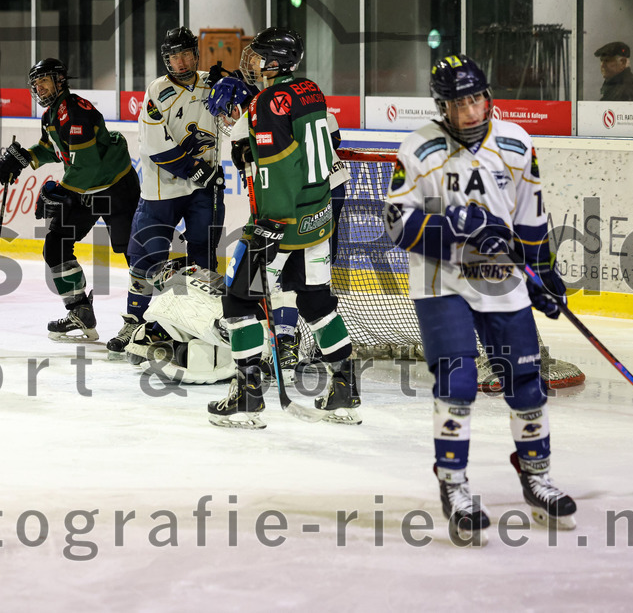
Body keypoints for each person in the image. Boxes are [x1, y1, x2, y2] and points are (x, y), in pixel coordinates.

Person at [382, 53, 576, 544]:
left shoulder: (516, 143)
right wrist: (458, 235)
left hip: (502, 281)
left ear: (488, 96)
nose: (470, 110)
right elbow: (396, 223)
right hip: (440, 282)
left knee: (526, 381)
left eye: (476, 98)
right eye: (458, 102)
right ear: (442, 106)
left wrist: (544, 275)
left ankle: (537, 477)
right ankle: (454, 487)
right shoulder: (419, 147)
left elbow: (530, 218)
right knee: (458, 379)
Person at [208, 27, 358, 429]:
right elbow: (321, 144)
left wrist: (270, 223)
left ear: (274, 61)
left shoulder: (267, 102)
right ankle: (344, 389)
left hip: (283, 219)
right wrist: (247, 146)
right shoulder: (310, 90)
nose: (253, 63)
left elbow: (277, 166)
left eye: (258, 57)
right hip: (317, 217)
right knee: (315, 301)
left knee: (238, 301)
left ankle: (247, 396)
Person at [207, 74, 348, 373]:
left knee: (260, 280)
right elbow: (334, 137)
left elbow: (274, 180)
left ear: (236, 106)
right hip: (326, 194)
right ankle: (310, 355)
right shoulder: (299, 97)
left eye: (225, 112)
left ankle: (278, 344)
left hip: (290, 203)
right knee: (311, 287)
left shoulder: (252, 119)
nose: (227, 120)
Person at [0, 58, 139, 341]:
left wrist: (59, 190)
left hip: (115, 187)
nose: (40, 87)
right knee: (56, 245)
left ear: (60, 81)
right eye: (36, 84)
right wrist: (25, 157)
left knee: (133, 253)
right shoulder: (51, 115)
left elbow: (86, 166)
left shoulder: (74, 110)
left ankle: (142, 320)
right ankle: (80, 312)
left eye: (45, 81)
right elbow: (57, 151)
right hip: (86, 190)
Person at [112, 27, 225, 359]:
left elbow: (243, 105)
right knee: (148, 255)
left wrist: (231, 82)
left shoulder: (211, 82)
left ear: (196, 53)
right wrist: (193, 168)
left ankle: (197, 322)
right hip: (162, 188)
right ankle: (134, 320)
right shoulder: (157, 91)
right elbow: (154, 146)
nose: (182, 61)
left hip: (203, 188)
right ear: (166, 60)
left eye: (187, 54)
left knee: (204, 252)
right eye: (175, 57)